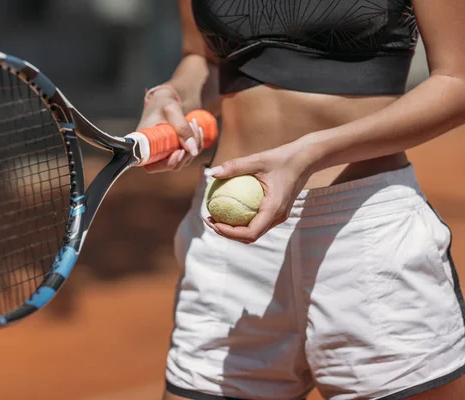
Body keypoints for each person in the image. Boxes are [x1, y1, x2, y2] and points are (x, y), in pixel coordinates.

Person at [136, 0, 465, 399]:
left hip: (365, 238)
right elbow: (202, 59)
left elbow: (457, 80)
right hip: (229, 241)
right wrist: (170, 98)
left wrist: (310, 153)